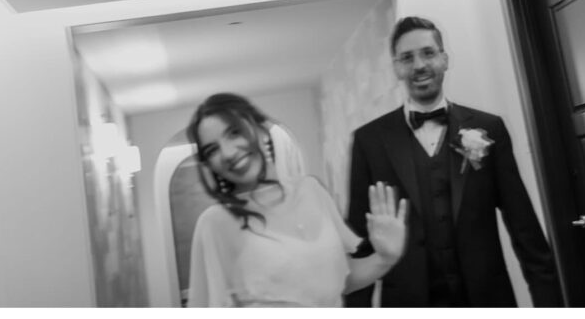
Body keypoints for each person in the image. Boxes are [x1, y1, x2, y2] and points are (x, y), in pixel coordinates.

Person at [346, 16, 562, 307]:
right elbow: (360, 240)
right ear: (397, 68)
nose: (419, 65)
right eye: (407, 58)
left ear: (445, 59)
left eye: (428, 53)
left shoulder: (490, 128)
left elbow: (524, 226)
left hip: (487, 298)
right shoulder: (369, 141)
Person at [185, 92, 408, 307]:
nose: (228, 152)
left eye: (234, 132)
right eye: (212, 150)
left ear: (261, 129)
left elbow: (341, 280)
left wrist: (385, 257)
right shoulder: (216, 223)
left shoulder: (312, 191)